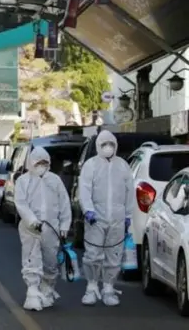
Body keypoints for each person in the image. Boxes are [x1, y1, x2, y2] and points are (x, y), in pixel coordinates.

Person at [79, 130, 135, 306]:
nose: (108, 148)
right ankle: (91, 287)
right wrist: (88, 210)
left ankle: (109, 289)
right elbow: (84, 189)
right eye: (104, 144)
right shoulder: (91, 165)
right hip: (96, 218)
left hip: (117, 219)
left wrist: (128, 215)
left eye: (111, 144)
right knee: (93, 255)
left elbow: (129, 192)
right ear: (98, 146)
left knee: (114, 256)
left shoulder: (123, 166)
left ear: (116, 146)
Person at [14, 147, 72, 311]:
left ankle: (47, 290)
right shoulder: (23, 181)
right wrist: (32, 220)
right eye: (38, 163)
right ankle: (32, 292)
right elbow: (21, 203)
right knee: (32, 259)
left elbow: (64, 204)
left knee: (50, 261)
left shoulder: (55, 180)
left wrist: (65, 225)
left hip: (51, 228)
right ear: (31, 163)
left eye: (44, 163)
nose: (41, 165)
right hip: (30, 228)